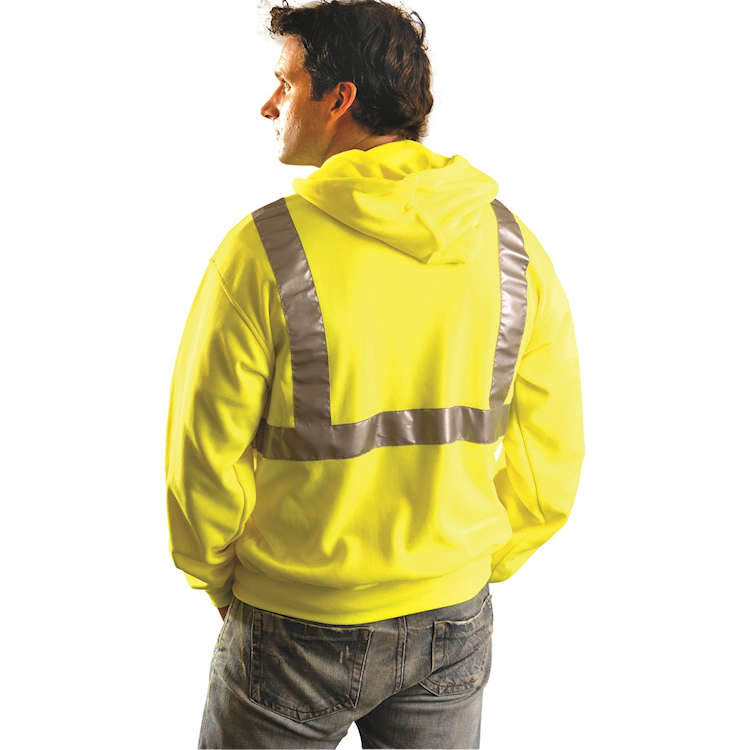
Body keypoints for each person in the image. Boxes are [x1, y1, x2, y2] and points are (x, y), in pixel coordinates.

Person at [164, 1, 585, 747]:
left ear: (339, 98)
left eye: (285, 82)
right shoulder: (512, 248)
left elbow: (202, 458)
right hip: (451, 618)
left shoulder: (262, 252)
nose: (269, 104)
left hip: (293, 619)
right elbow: (552, 459)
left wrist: (218, 576)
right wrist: (467, 564)